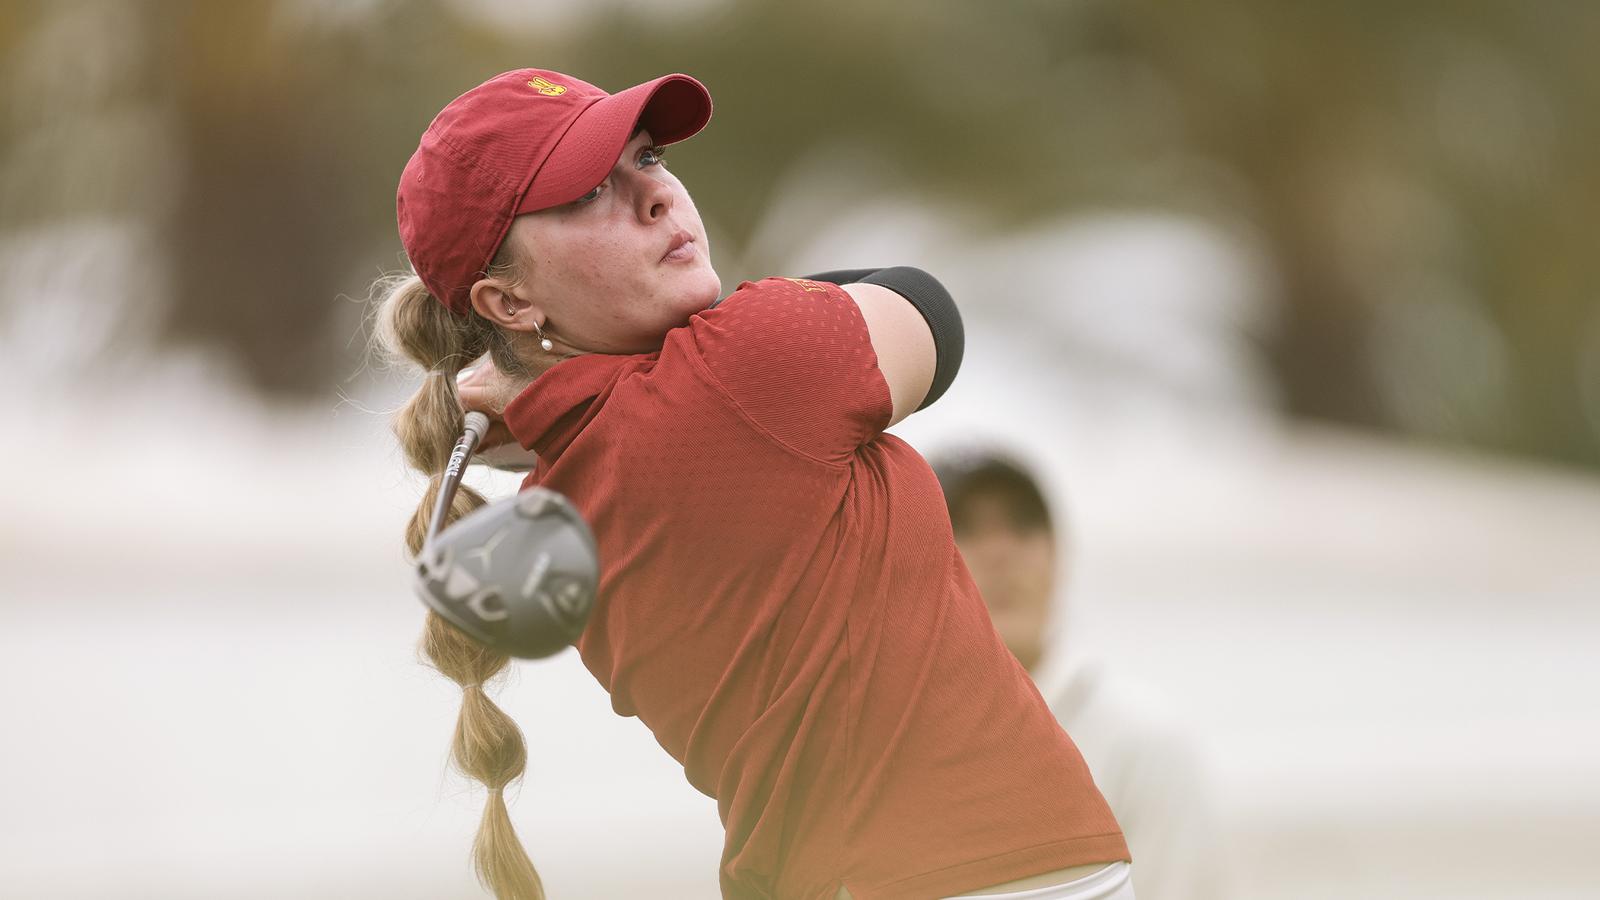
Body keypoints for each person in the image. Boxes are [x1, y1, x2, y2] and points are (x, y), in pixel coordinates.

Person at [371, 67, 1134, 900]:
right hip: (986, 876)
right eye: (588, 191)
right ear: (508, 302)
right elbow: (928, 311)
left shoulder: (553, 496)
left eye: (650, 158)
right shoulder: (745, 367)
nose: (655, 196)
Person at [931, 449, 1230, 900]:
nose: (1000, 552)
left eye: (1023, 526)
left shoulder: (1141, 740)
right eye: (966, 529)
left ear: (1057, 555)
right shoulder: (871, 742)